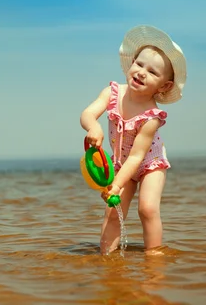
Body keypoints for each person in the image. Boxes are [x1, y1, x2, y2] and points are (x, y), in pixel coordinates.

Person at [79, 25, 187, 255]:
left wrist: (116, 185)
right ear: (131, 63)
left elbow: (138, 156)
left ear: (164, 86)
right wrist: (94, 126)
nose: (141, 72)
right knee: (113, 209)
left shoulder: (151, 116)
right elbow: (87, 114)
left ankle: (154, 254)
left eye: (153, 72)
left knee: (147, 209)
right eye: (139, 64)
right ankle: (107, 256)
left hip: (149, 164)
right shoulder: (112, 93)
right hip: (121, 163)